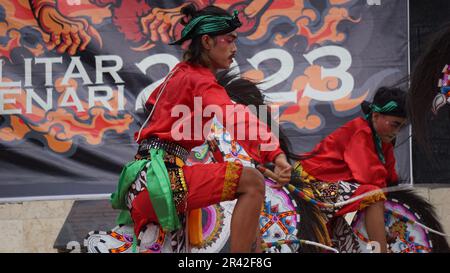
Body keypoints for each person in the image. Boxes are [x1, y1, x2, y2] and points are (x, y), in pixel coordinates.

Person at [110, 4, 291, 253]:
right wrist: (275, 154)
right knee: (252, 182)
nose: (235, 49)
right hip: (161, 180)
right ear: (207, 41)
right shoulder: (199, 80)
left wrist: (261, 158)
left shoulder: (182, 75)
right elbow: (236, 117)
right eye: (229, 40)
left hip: (148, 180)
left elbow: (212, 141)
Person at [296, 86, 407, 253]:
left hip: (329, 192)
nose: (396, 131)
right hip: (308, 187)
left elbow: (391, 181)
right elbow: (369, 176)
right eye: (394, 124)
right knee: (373, 195)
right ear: (375, 116)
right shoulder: (359, 132)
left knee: (344, 246)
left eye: (401, 126)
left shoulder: (384, 142)